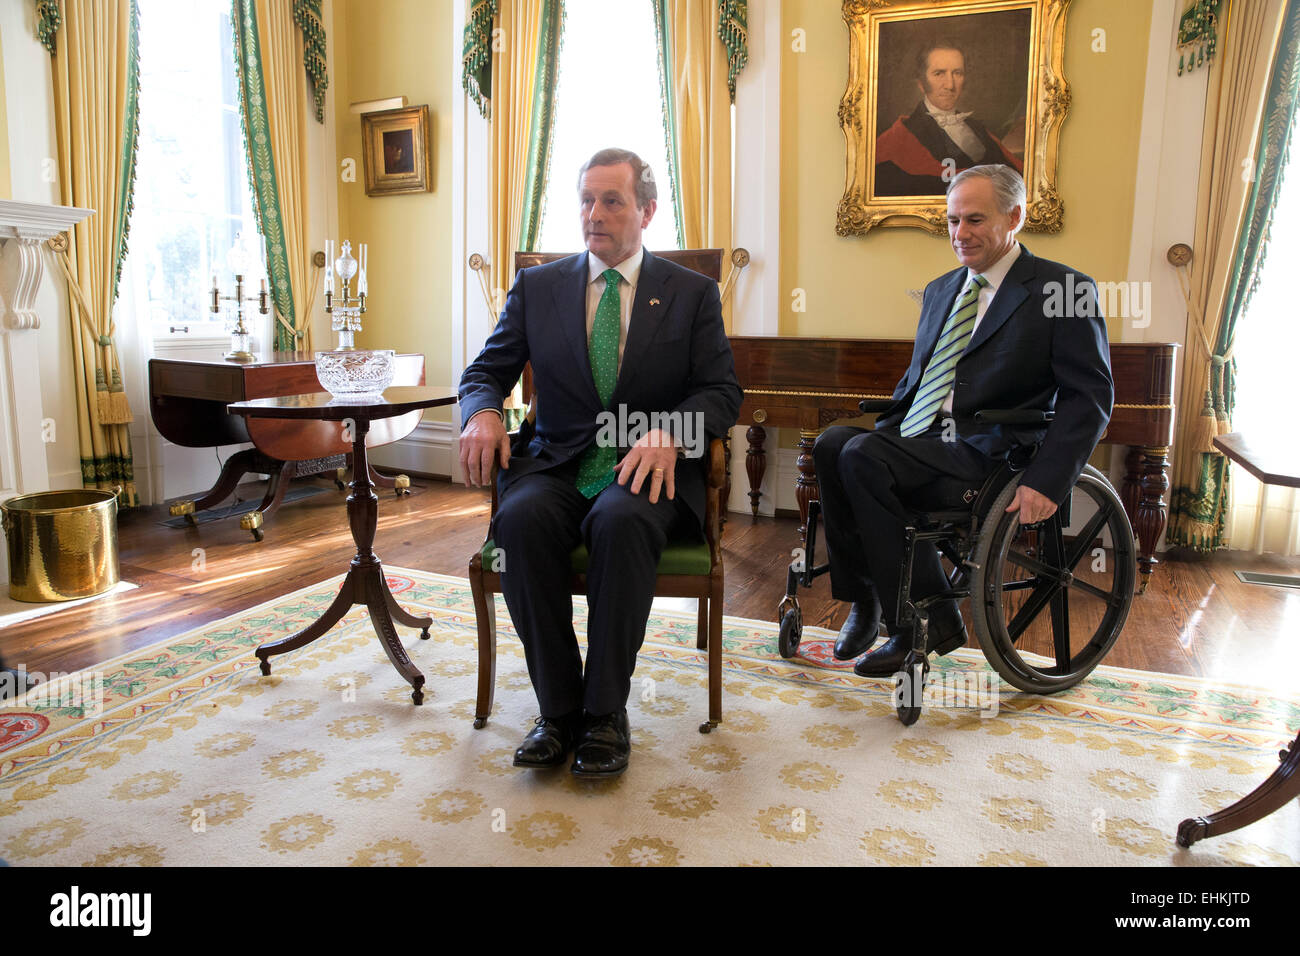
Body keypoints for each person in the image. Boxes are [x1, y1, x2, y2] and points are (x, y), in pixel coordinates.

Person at [458, 147, 742, 778]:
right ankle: (558, 710)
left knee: (622, 522)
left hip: (646, 468)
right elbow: (485, 372)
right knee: (522, 521)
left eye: (611, 201)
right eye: (586, 200)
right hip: (557, 464)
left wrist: (671, 429)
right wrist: (481, 413)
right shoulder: (539, 288)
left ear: (646, 210)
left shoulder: (691, 294)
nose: (595, 214)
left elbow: (723, 393)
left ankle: (606, 710)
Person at [814, 164, 1112, 676]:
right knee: (831, 444)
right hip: (924, 437)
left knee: (863, 456)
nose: (960, 234)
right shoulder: (941, 289)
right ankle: (866, 601)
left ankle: (921, 623)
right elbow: (920, 381)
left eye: (974, 219)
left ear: (1014, 217)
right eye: (953, 221)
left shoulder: (1064, 289)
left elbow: (1090, 396)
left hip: (992, 451)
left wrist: (1048, 481)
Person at [874, 39, 1024, 197]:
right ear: (921, 83)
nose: (950, 85)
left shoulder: (977, 128)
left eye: (957, 73)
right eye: (939, 74)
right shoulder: (904, 136)